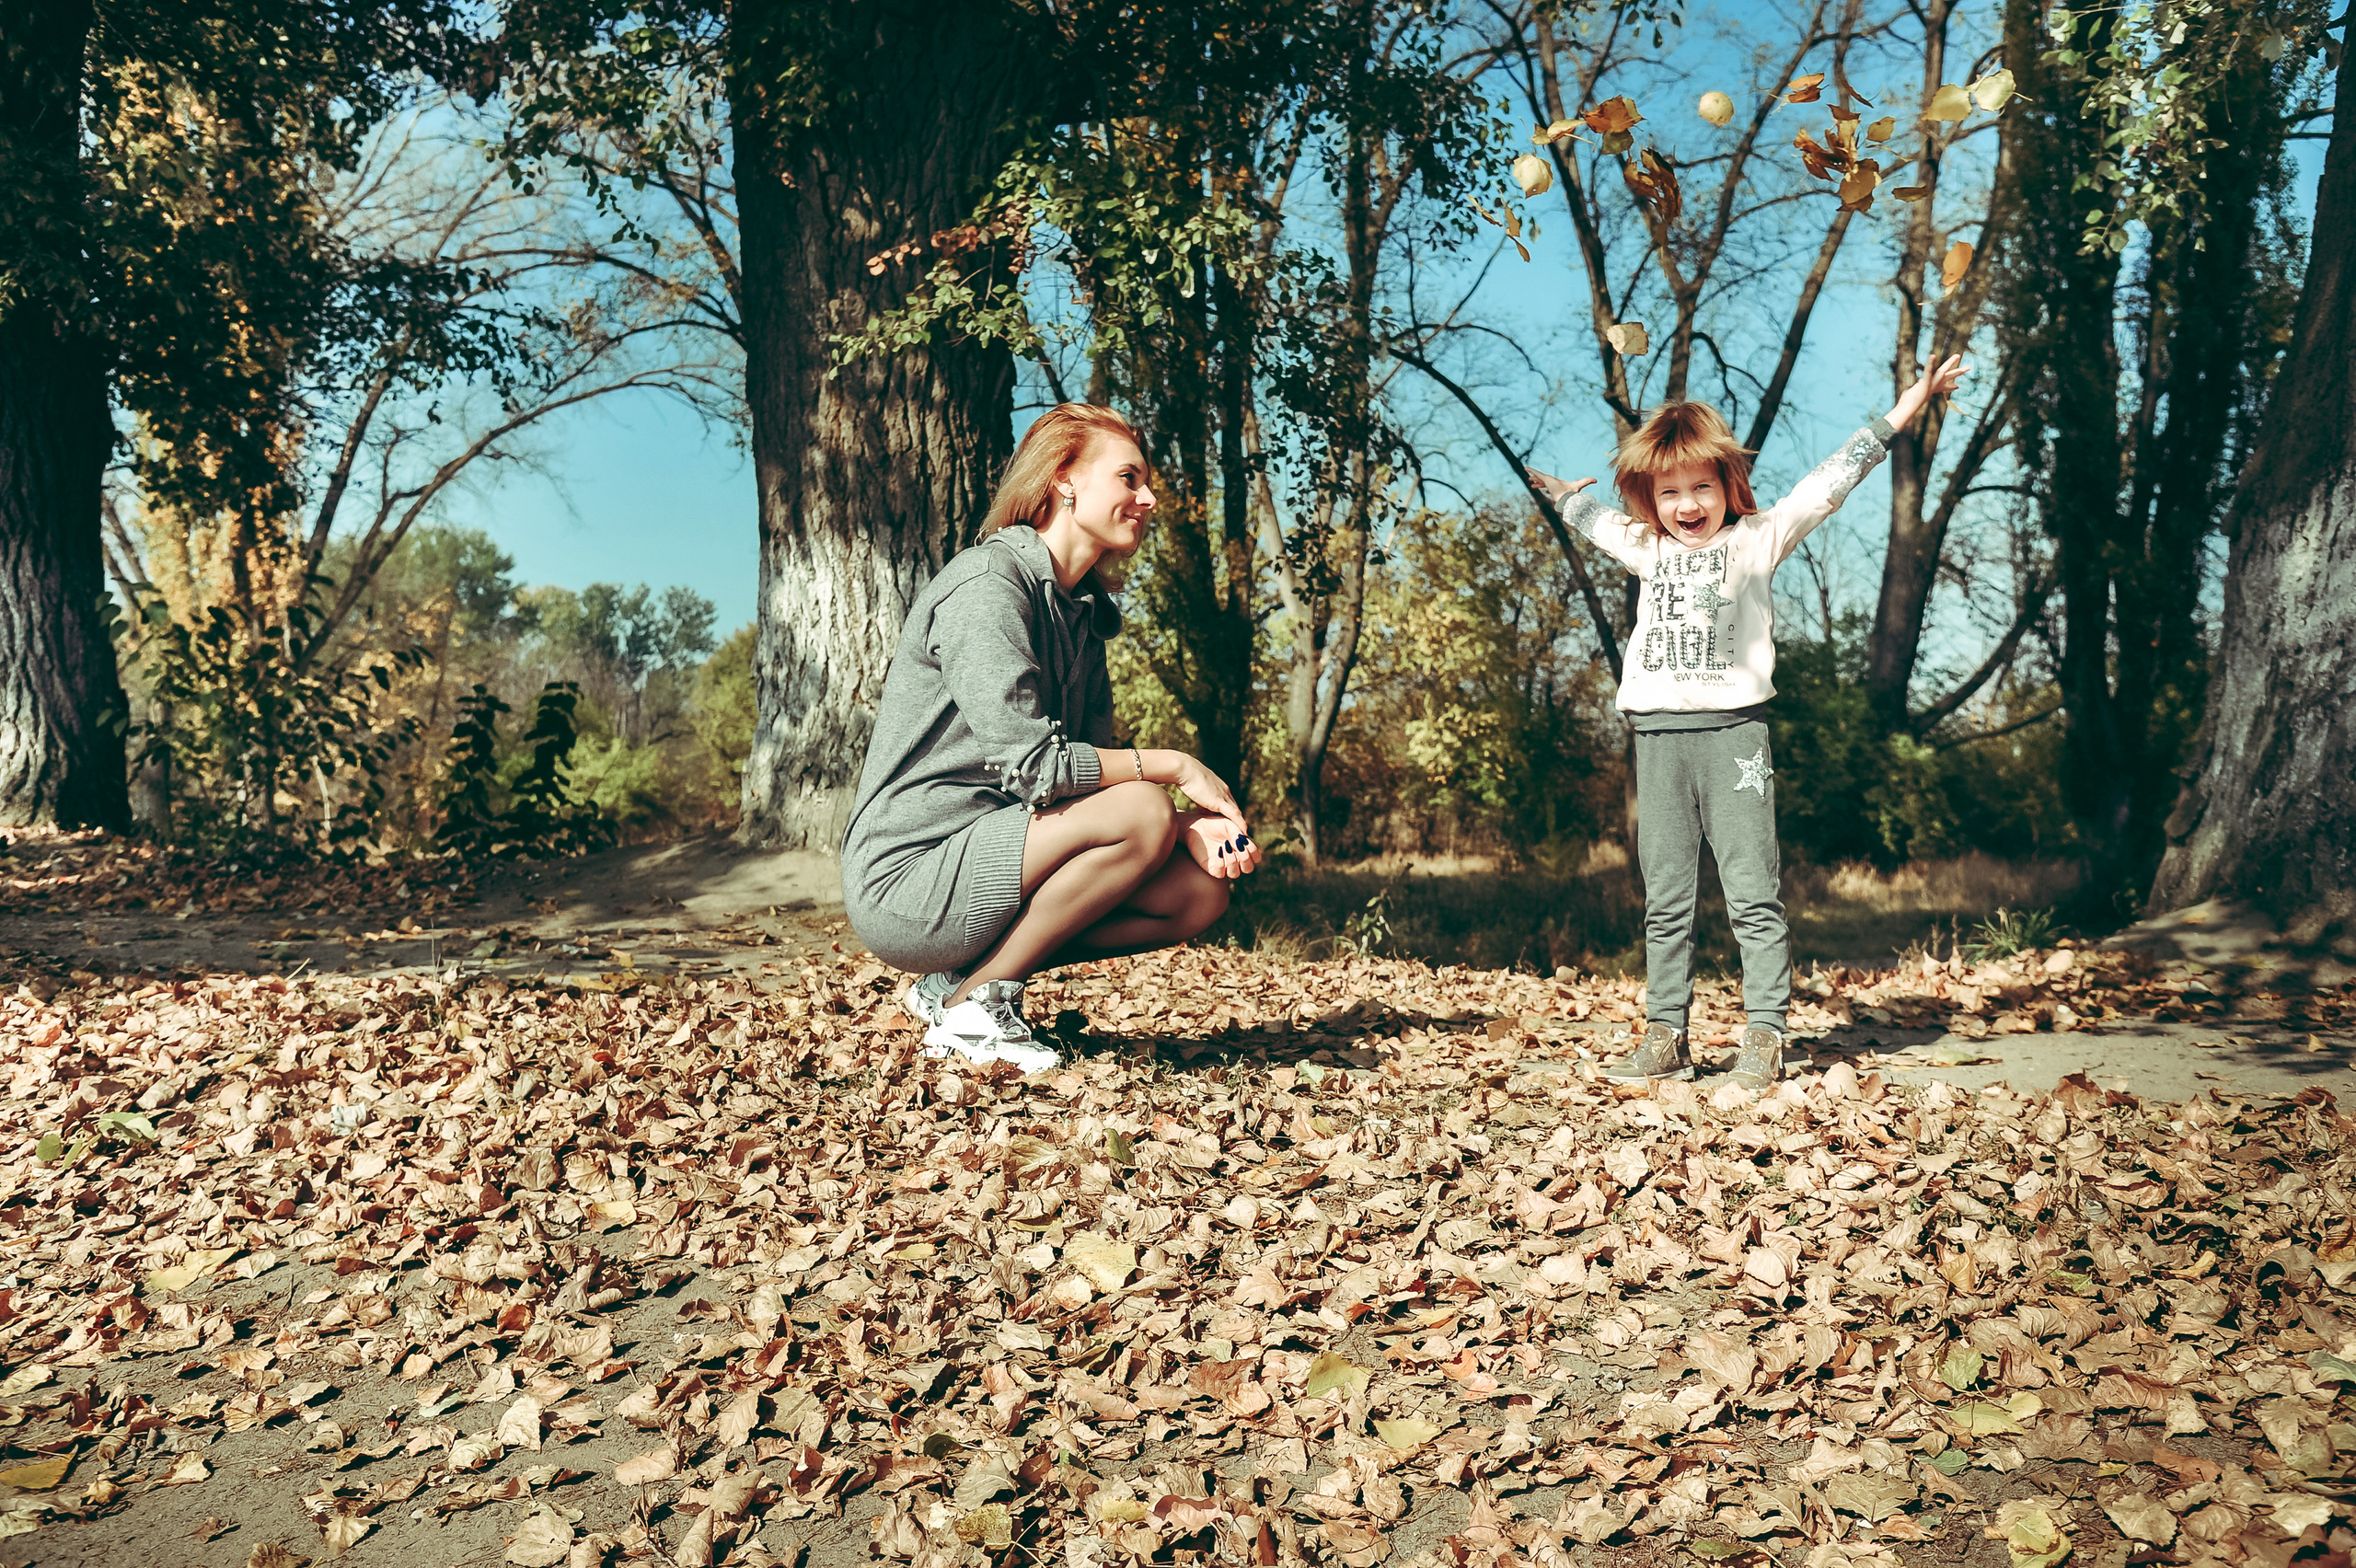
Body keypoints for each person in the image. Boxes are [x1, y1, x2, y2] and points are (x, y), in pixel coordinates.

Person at [1527, 355, 1969, 1090]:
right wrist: (1566, 497)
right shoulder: (1646, 548)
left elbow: (1832, 479)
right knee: (1666, 899)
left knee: (1752, 893)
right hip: (1658, 743)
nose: (1687, 504)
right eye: (1670, 492)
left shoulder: (1757, 538)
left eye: (1702, 487)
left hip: (1735, 739)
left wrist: (1910, 403)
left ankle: (1764, 1034)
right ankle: (1666, 1036)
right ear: (1652, 499)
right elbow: (1594, 521)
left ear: (1728, 485)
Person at [839, 403, 1265, 1073]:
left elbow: (1085, 787)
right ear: (1065, 478)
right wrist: (1178, 768)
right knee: (1146, 805)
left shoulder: (1082, 617)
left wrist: (1186, 828)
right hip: (908, 880)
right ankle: (976, 1008)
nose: (1148, 499)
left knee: (1197, 894)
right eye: (1129, 478)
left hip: (995, 855)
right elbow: (1039, 769)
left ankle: (958, 986)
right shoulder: (986, 585)